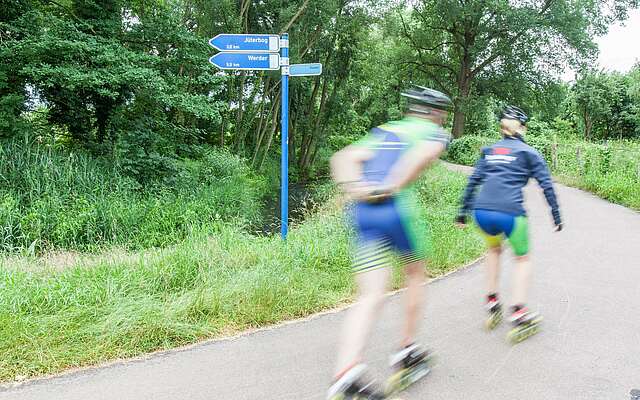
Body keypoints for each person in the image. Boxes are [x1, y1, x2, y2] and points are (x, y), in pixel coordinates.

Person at [327, 86, 452, 399]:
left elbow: (342, 158)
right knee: (415, 273)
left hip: (362, 213)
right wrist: (391, 186)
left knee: (370, 293)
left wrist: (359, 190)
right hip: (396, 209)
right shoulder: (434, 132)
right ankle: (406, 353)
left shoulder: (385, 130)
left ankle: (347, 371)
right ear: (437, 113)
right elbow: (423, 155)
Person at [455, 105, 563, 342]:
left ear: (502, 128)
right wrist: (556, 215)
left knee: (493, 250)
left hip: (482, 213)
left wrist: (462, 212)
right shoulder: (529, 153)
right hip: (510, 213)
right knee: (522, 259)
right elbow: (546, 185)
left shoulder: (490, 150)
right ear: (522, 128)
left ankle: (492, 301)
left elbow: (474, 181)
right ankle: (519, 312)